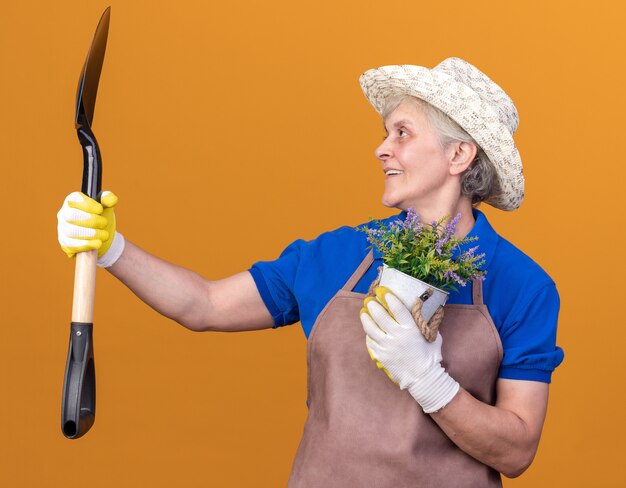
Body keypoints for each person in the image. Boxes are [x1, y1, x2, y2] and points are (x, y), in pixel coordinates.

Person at [57, 57, 563, 487]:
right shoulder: (340, 255)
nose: (381, 148)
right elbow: (204, 305)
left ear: (458, 154)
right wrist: (111, 248)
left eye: (402, 134)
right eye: (386, 133)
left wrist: (429, 381)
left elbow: (516, 450)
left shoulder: (520, 285)